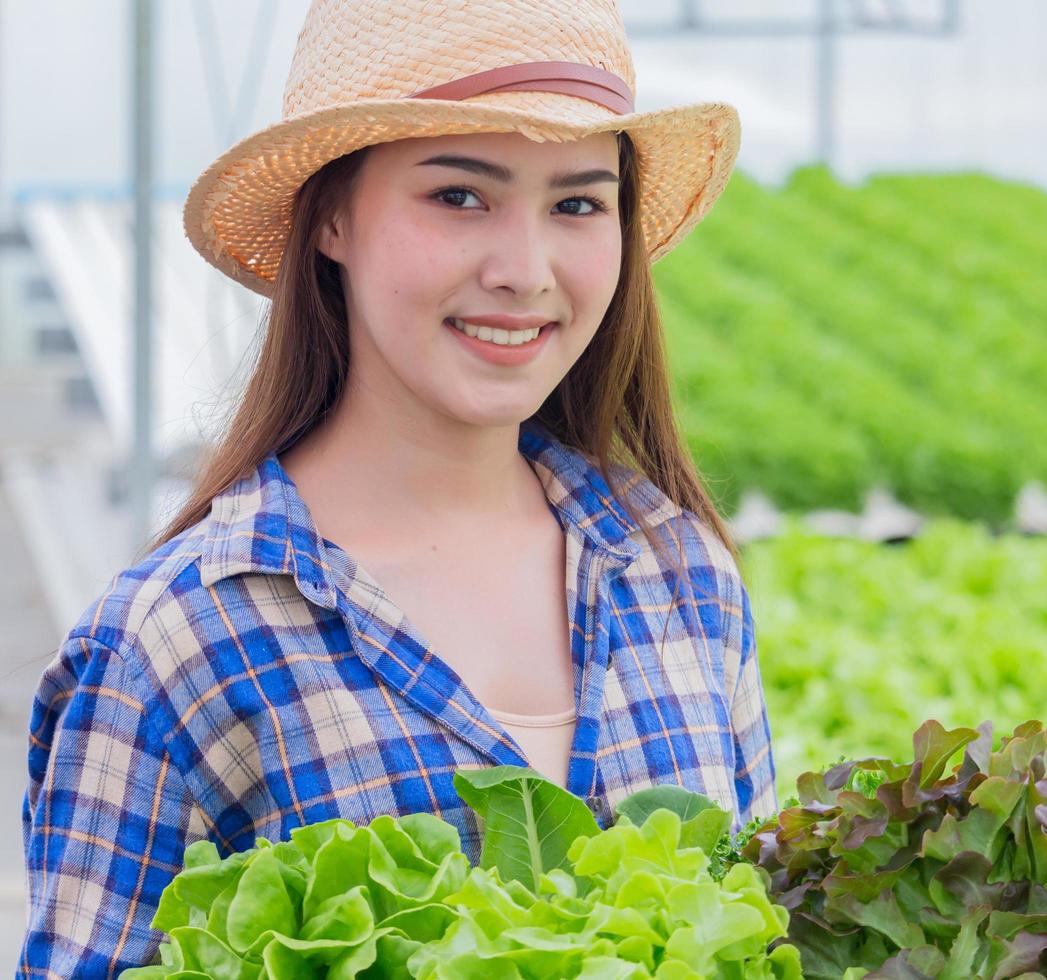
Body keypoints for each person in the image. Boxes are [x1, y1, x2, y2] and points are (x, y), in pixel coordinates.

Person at [18, 0, 776, 973]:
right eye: (459, 195)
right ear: (330, 215)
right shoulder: (180, 639)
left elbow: (762, 933)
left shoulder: (680, 574)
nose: (523, 269)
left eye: (578, 203)